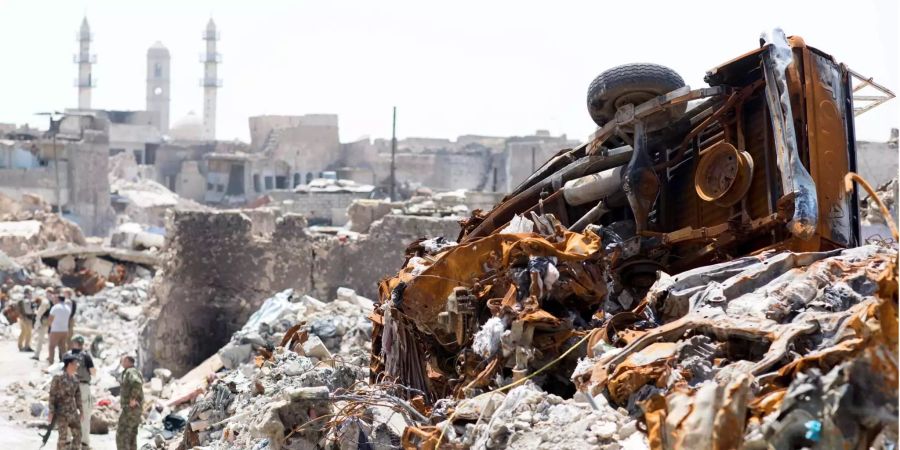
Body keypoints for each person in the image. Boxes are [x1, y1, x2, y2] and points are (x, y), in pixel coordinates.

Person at [65, 336, 96, 449]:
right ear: (82, 344)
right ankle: (84, 443)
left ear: (73, 343)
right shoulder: (86, 356)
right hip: (83, 387)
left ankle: (67, 442)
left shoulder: (67, 355)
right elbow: (93, 372)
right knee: (85, 415)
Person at [49, 354, 82, 450]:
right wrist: (51, 411)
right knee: (63, 437)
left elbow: (78, 395)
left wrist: (81, 410)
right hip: (61, 411)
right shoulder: (58, 378)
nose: (77, 366)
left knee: (78, 433)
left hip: (72, 411)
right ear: (69, 364)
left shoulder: (75, 378)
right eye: (75, 363)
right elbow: (52, 395)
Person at [117, 355, 143, 450]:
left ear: (128, 361)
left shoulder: (130, 371)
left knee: (122, 434)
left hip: (130, 409)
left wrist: (133, 399)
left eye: (123, 360)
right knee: (131, 435)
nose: (121, 362)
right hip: (133, 408)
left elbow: (137, 383)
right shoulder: (132, 371)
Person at [48, 293, 71, 364]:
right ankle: (65, 363)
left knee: (52, 347)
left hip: (55, 330)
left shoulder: (55, 307)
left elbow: (50, 319)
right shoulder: (68, 307)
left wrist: (50, 326)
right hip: (64, 330)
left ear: (58, 299)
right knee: (63, 347)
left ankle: (51, 363)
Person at [32, 292, 52, 360]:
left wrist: (36, 312)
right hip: (50, 321)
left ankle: (37, 355)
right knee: (50, 339)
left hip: (44, 322)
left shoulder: (44, 302)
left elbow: (40, 313)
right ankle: (50, 356)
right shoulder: (52, 301)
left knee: (40, 339)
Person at [15, 287, 35, 352]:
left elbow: (17, 309)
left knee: (23, 332)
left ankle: (20, 345)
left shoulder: (21, 300)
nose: (31, 294)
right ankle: (27, 346)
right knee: (28, 333)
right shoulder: (27, 301)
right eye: (30, 293)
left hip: (22, 318)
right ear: (27, 293)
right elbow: (29, 311)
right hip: (27, 318)